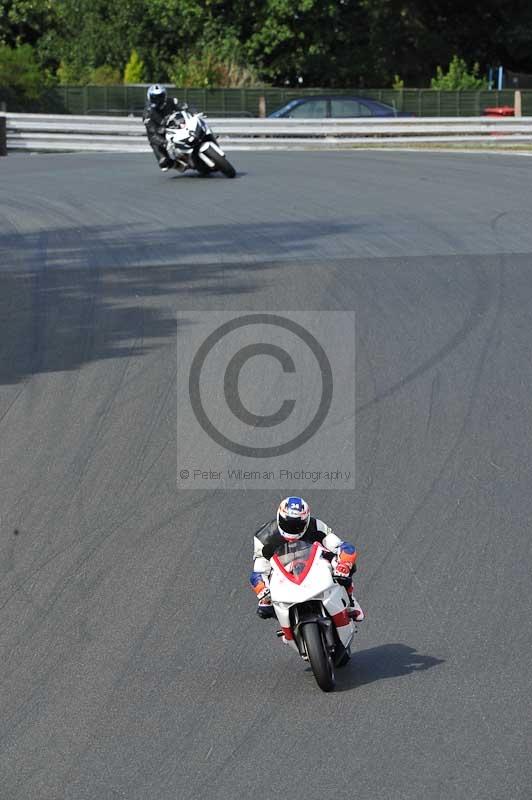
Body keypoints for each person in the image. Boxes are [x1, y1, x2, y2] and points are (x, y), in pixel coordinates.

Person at [250, 496, 364, 621]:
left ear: (306, 520)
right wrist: (263, 590)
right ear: (279, 518)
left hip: (312, 562)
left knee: (347, 567)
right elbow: (259, 570)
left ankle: (351, 601)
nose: (292, 529)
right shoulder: (263, 536)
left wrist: (343, 565)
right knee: (265, 608)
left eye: (298, 525)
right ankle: (287, 627)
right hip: (282, 569)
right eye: (287, 524)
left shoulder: (315, 525)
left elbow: (340, 546)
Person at [143, 84, 189, 171]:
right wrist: (164, 142)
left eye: (160, 96)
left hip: (176, 126)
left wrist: (190, 111)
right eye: (154, 97)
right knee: (164, 164)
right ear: (150, 97)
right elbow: (152, 134)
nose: (158, 100)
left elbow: (184, 107)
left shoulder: (171, 101)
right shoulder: (147, 114)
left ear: (164, 96)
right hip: (160, 136)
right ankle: (176, 164)